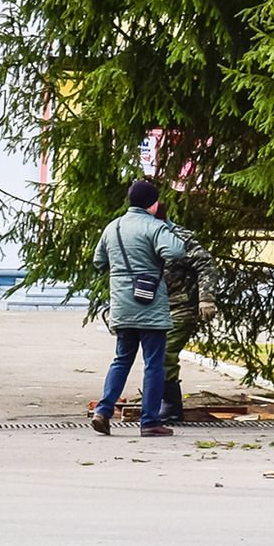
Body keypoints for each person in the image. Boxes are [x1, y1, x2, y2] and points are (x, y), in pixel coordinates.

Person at [90, 179, 187, 438]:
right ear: (153, 204)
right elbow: (176, 252)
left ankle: (103, 411)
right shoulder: (155, 226)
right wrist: (164, 225)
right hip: (150, 304)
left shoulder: (113, 227)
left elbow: (98, 261)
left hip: (122, 304)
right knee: (153, 364)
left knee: (121, 359)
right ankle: (150, 422)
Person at [161, 217, 218, 424]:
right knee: (156, 354)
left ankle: (171, 407)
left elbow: (206, 264)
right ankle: (164, 403)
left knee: (166, 352)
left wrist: (206, 298)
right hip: (157, 306)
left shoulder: (179, 236)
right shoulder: (144, 235)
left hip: (183, 304)